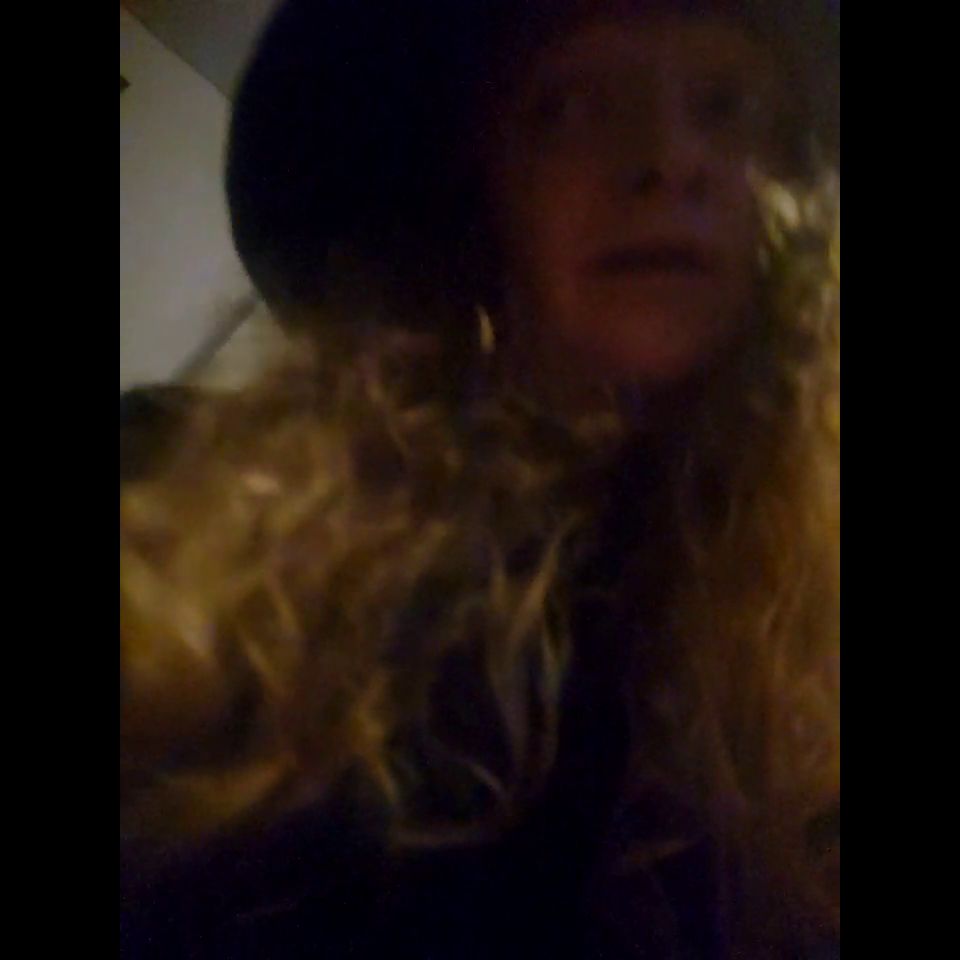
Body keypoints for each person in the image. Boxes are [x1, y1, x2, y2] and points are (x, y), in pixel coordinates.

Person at [120, 1, 840, 957]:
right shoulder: (185, 519)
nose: (670, 158)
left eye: (723, 104)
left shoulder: (816, 638)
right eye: (572, 105)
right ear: (481, 201)